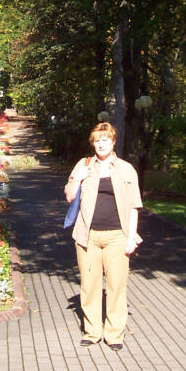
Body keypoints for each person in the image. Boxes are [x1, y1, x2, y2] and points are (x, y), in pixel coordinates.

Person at [64, 122, 143, 351]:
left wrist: (131, 237)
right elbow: (69, 196)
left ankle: (114, 334)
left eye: (105, 139)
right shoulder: (84, 164)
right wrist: (77, 178)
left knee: (117, 286)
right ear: (93, 143)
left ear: (113, 142)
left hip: (117, 236)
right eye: (97, 140)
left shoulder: (126, 169)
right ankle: (92, 332)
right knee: (89, 285)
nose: (101, 144)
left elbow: (134, 206)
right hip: (87, 236)